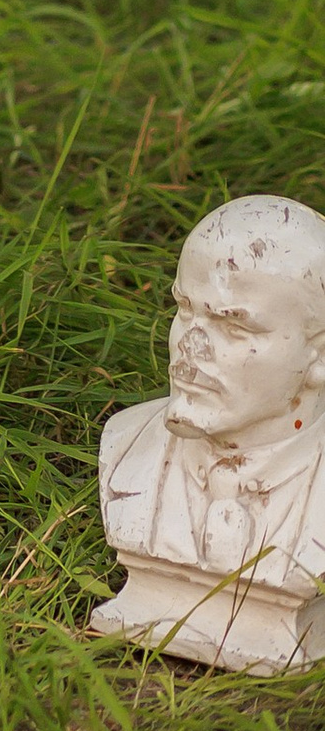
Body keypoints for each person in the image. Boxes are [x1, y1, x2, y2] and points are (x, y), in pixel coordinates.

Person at [96, 196, 325, 672]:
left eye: (234, 326)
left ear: (317, 356)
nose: (190, 348)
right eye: (184, 309)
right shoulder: (126, 444)